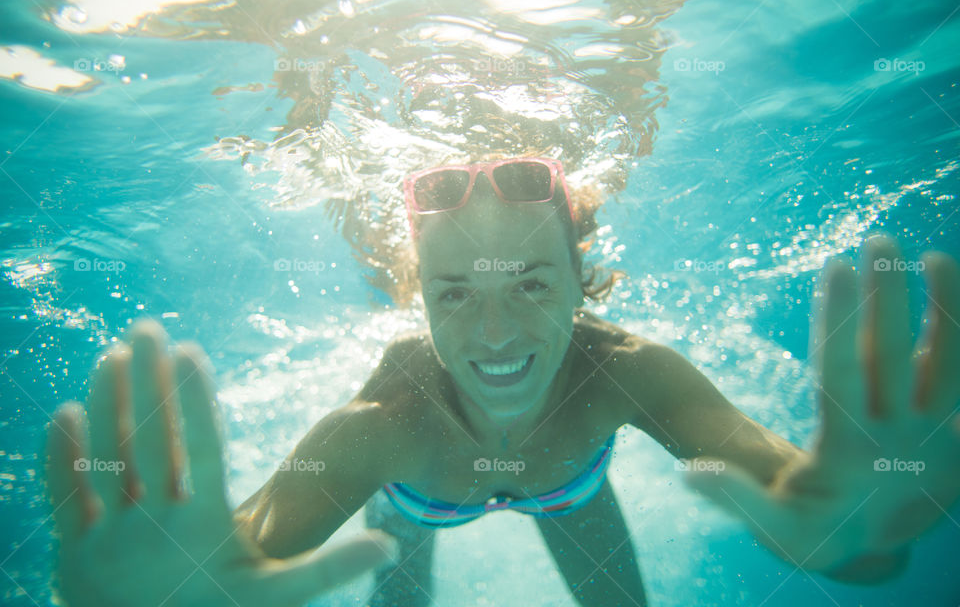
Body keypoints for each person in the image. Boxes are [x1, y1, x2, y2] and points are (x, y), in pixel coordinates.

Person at [45, 156, 960, 607]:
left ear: (582, 283)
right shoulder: (381, 425)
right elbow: (249, 540)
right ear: (421, 299)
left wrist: (841, 523)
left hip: (573, 493)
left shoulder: (628, 372)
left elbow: (778, 476)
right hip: (415, 504)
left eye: (530, 283)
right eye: (455, 292)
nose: (492, 333)